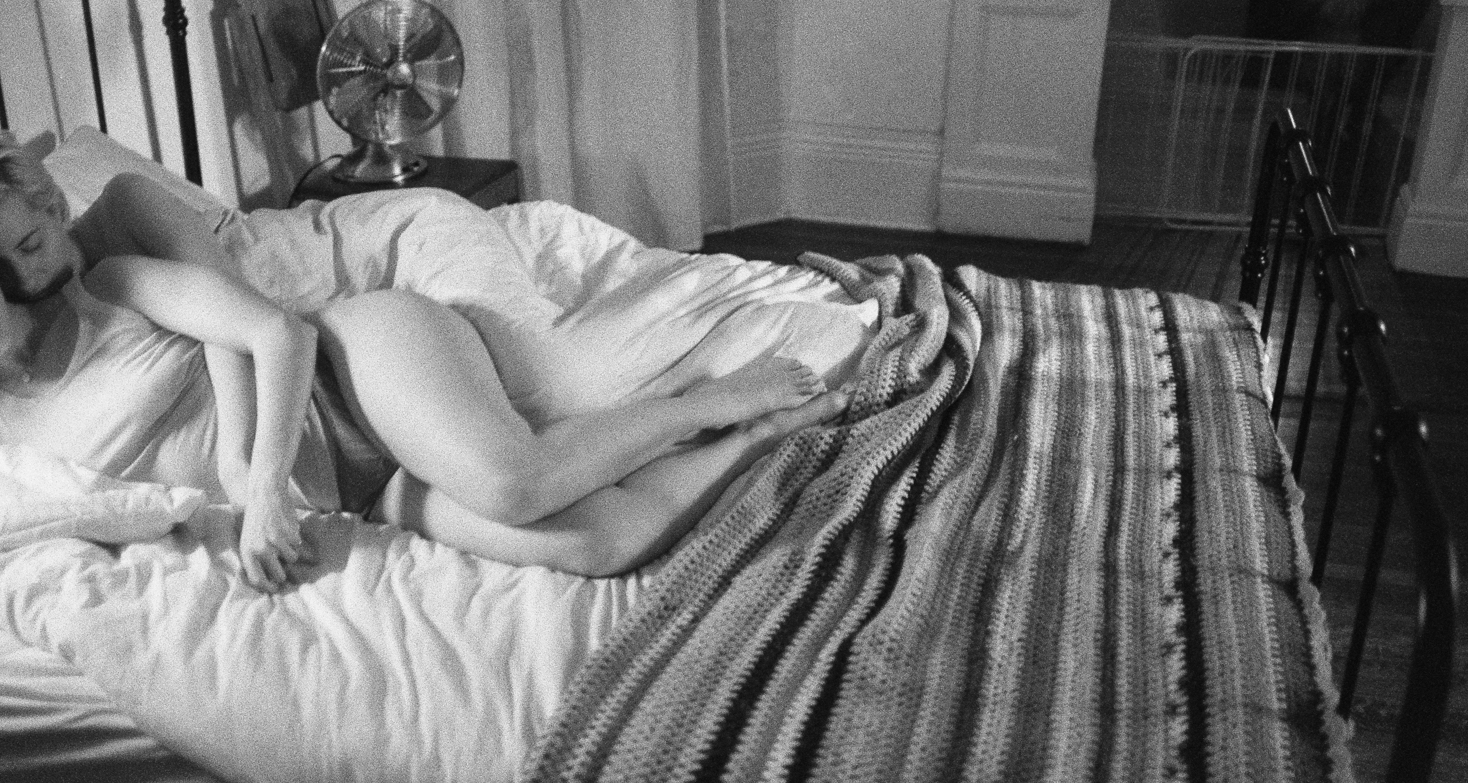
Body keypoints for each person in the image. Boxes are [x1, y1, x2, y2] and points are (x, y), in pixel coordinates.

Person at [0, 145, 847, 592]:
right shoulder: (11, 414)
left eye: (26, 242)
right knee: (600, 542)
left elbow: (271, 332)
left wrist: (255, 485)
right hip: (356, 490)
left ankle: (704, 404)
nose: (23, 270)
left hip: (352, 368)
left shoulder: (111, 283)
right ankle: (757, 433)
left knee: (515, 478)